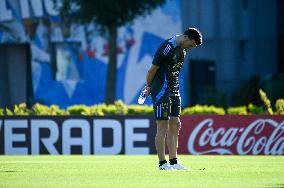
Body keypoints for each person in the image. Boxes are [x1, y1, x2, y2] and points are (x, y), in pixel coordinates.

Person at [144, 28, 202, 170]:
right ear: (186, 38)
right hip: (161, 91)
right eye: (191, 45)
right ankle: (162, 163)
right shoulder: (166, 47)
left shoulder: (184, 49)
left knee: (176, 124)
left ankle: (174, 162)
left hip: (174, 90)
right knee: (163, 125)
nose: (191, 48)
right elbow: (152, 70)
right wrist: (148, 87)